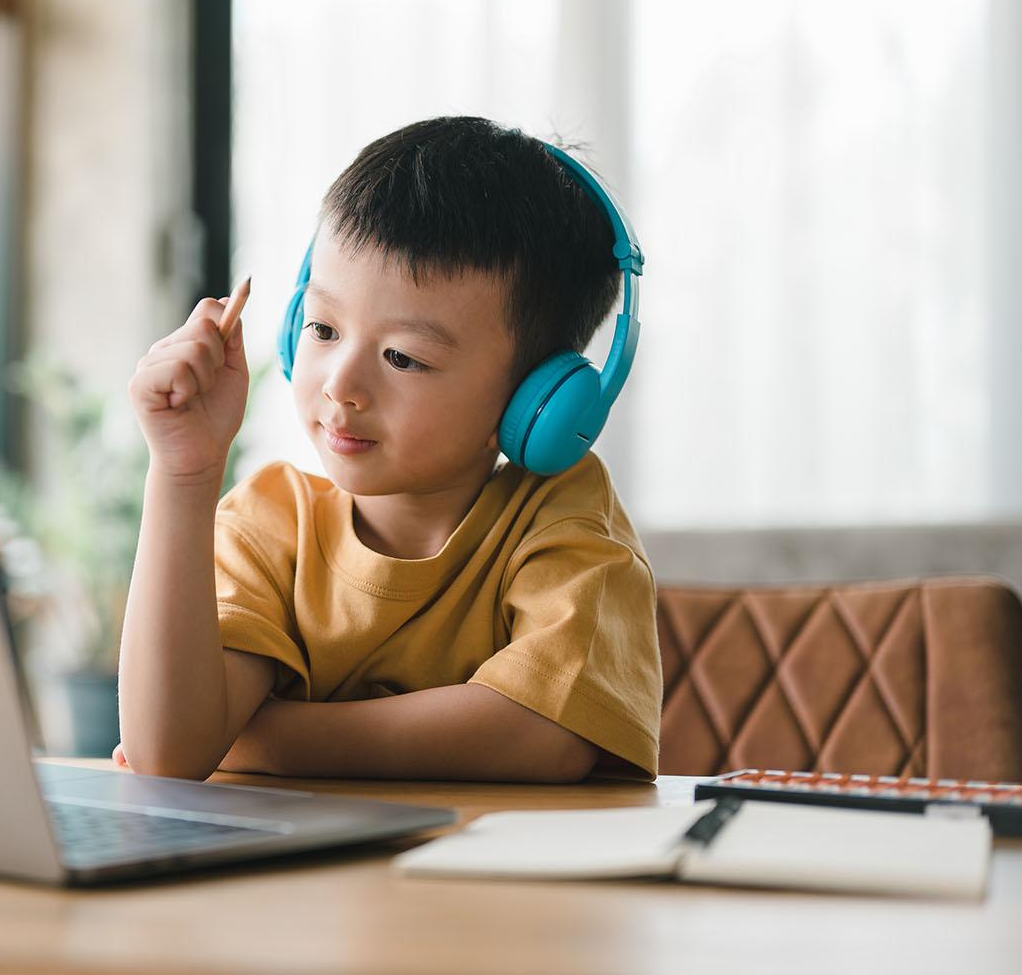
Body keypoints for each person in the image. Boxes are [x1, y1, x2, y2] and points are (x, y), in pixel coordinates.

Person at [116, 116, 661, 783]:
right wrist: (183, 474)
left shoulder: (565, 519)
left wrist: (260, 738)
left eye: (403, 357)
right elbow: (168, 753)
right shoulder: (270, 522)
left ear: (539, 401)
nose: (342, 385)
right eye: (321, 326)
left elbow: (543, 735)